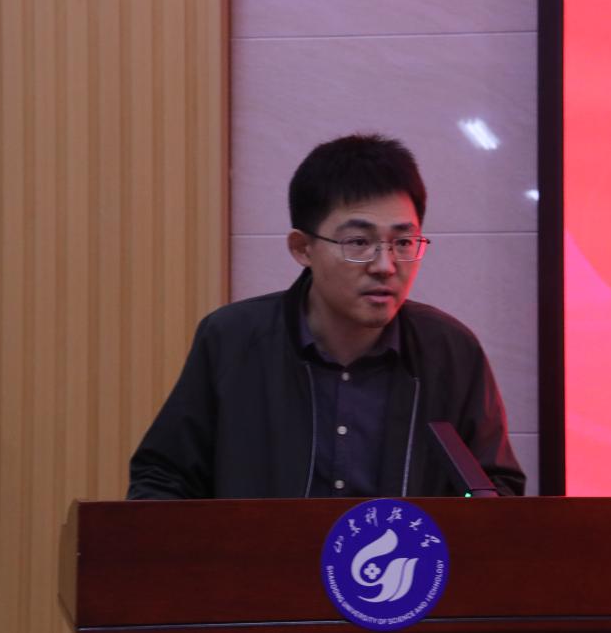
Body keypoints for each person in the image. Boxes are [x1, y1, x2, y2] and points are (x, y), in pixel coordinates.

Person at [127, 134, 525, 499]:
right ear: (302, 248)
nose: (385, 265)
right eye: (359, 242)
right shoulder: (232, 340)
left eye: (403, 242)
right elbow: (163, 480)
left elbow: (496, 492)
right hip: (266, 558)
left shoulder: (450, 351)